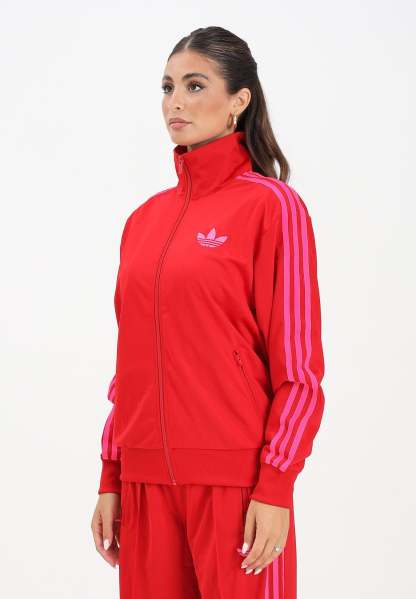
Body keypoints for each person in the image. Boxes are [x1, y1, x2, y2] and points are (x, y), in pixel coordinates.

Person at [91, 25, 325, 599]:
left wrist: (275, 485)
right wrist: (112, 475)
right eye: (168, 87)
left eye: (195, 86)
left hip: (236, 485)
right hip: (144, 485)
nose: (176, 101)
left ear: (239, 100)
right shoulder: (142, 222)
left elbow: (299, 370)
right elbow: (129, 368)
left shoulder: (273, 207)